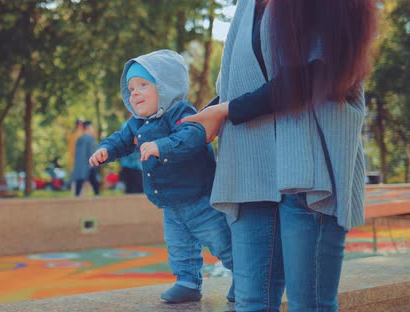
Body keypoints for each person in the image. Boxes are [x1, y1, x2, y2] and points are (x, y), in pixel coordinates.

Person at [182, 1, 378, 311]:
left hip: (308, 174)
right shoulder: (248, 7)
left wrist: (228, 110)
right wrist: (202, 119)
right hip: (252, 169)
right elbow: (246, 85)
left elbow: (318, 74)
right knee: (250, 303)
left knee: (309, 305)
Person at [89, 49, 233, 304]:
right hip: (170, 204)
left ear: (166, 87)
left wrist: (161, 146)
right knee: (179, 247)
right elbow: (121, 140)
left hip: (199, 199)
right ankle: (187, 282)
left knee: (222, 242)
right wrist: (105, 150)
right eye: (131, 88)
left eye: (143, 85)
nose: (134, 93)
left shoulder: (180, 113)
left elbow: (193, 136)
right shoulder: (137, 123)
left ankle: (244, 278)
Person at [72, 121, 100, 196]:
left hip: (80, 165)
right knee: (94, 181)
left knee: (80, 182)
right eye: (91, 127)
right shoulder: (90, 139)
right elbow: (91, 152)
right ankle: (98, 197)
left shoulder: (79, 139)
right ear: (88, 128)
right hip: (89, 164)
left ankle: (76, 197)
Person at [118, 114, 143, 194]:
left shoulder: (125, 125)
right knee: (137, 191)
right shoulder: (131, 125)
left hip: (127, 164)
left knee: (129, 191)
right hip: (134, 164)